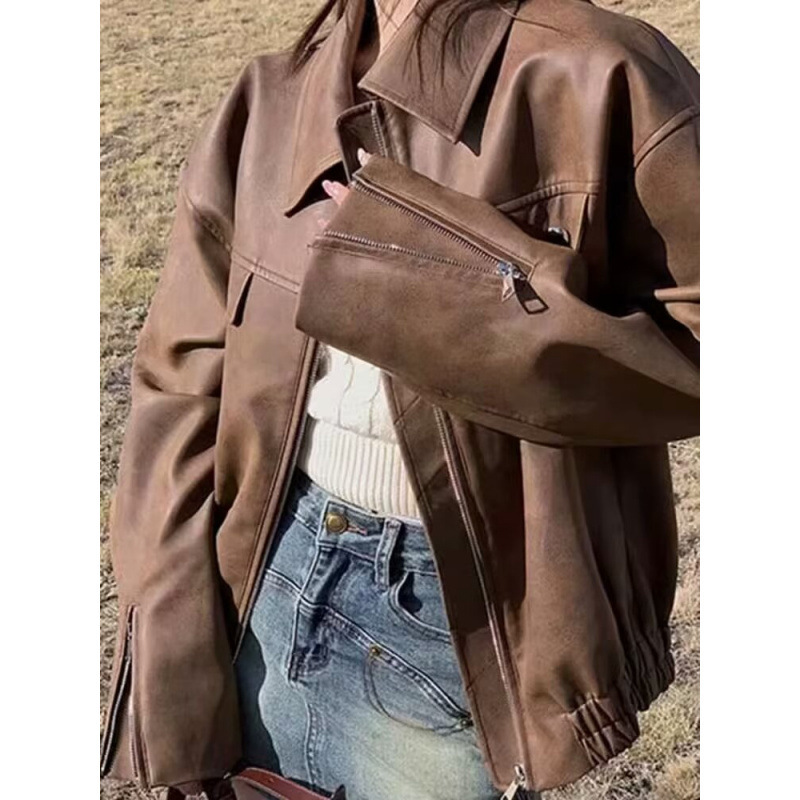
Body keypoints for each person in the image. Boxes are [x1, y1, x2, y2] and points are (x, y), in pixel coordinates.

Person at [99, 1, 700, 799]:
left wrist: (415, 279)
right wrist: (171, 634)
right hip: (259, 579)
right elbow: (179, 382)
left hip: (449, 616)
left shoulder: (600, 75)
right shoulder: (272, 95)